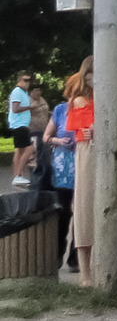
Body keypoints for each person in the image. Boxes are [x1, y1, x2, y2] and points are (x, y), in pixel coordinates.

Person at [64, 57, 96, 286]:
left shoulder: (103, 97)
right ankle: (85, 274)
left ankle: (94, 271)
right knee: (84, 210)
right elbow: (84, 131)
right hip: (88, 155)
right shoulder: (80, 100)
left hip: (104, 154)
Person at [41, 92, 78, 272]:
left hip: (83, 164)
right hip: (63, 167)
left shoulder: (91, 109)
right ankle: (58, 251)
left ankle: (75, 257)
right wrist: (58, 140)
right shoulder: (60, 110)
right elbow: (46, 137)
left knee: (81, 213)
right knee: (64, 211)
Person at [9, 71, 34, 186]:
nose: (27, 83)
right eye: (25, 80)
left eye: (29, 80)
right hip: (20, 124)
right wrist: (30, 107)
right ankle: (18, 175)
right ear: (19, 80)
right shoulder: (17, 92)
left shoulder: (24, 92)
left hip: (21, 124)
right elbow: (15, 109)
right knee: (29, 149)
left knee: (19, 150)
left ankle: (18, 176)